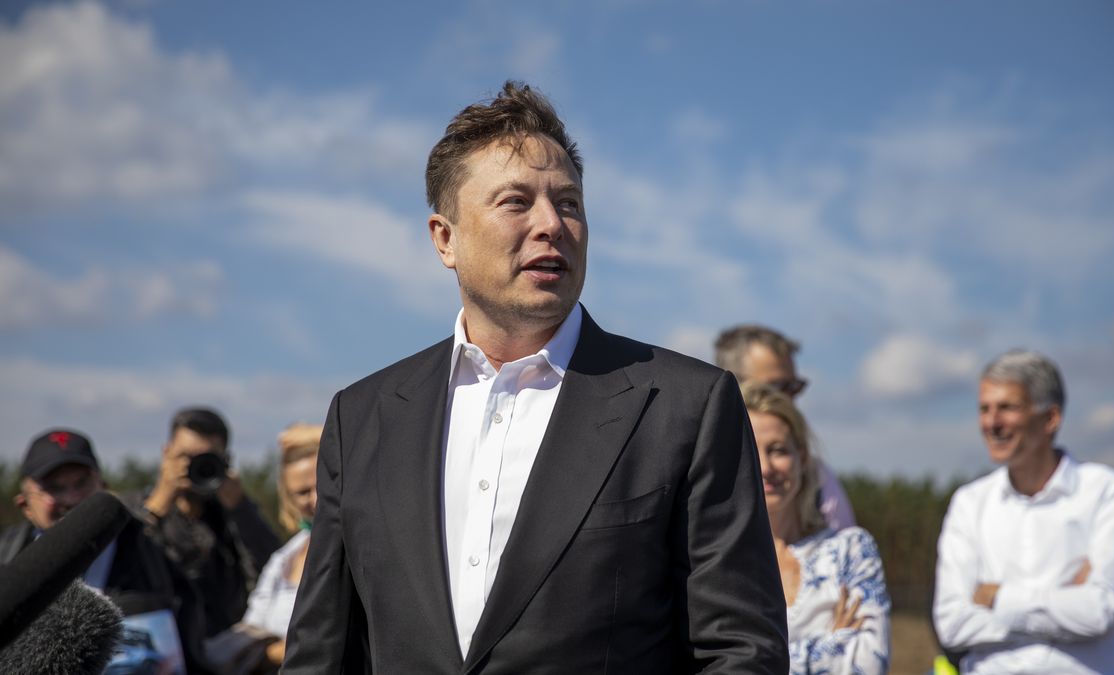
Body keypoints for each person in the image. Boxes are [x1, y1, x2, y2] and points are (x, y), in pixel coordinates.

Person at [283, 81, 787, 673]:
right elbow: (322, 650)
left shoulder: (685, 405)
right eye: (516, 201)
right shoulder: (362, 416)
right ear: (445, 238)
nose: (552, 223)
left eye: (569, 203)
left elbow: (740, 652)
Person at [933, 350, 1114, 674]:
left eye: (1007, 408)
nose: (992, 422)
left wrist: (998, 597)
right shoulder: (969, 503)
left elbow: (1101, 612)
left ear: (1050, 418)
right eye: (984, 409)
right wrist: (1063, 606)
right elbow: (951, 623)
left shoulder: (1110, 493)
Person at [0, 429, 214, 674]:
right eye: (54, 488)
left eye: (81, 483)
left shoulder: (154, 557)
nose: (71, 499)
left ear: (104, 487)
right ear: (24, 504)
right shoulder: (7, 560)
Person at [741, 382, 890, 674]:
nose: (766, 466)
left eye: (778, 450)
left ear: (803, 457)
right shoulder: (721, 563)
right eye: (750, 451)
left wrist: (757, 658)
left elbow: (870, 664)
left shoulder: (851, 550)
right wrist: (832, 645)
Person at [141, 407, 280, 637]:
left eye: (207, 458)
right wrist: (157, 507)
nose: (195, 467)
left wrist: (240, 508)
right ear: (166, 454)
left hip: (226, 650)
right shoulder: (137, 509)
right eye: (186, 457)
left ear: (225, 461)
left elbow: (272, 569)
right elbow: (122, 566)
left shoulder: (232, 514)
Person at [715, 323, 857, 529]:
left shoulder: (817, 478)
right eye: (775, 387)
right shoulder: (693, 468)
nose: (789, 398)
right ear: (729, 386)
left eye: (795, 386)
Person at [241, 423, 322, 667]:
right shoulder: (283, 558)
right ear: (288, 497)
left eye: (322, 485)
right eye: (303, 492)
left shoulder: (361, 547)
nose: (316, 499)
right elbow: (251, 628)